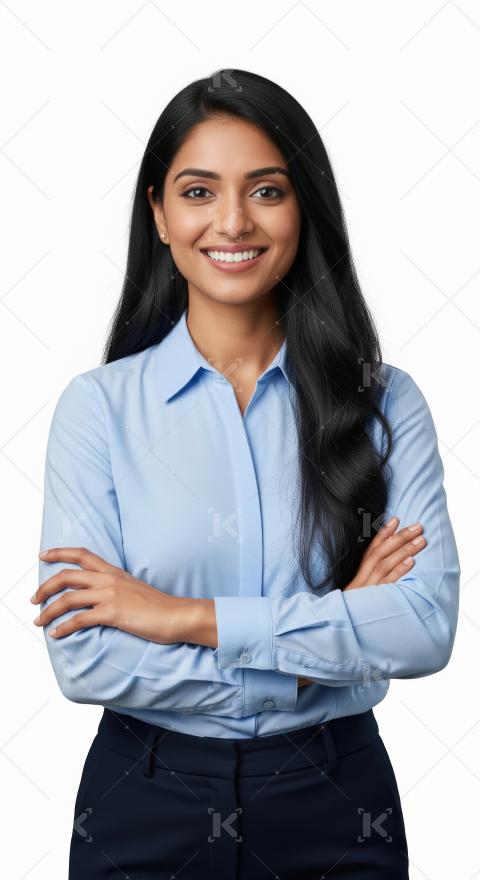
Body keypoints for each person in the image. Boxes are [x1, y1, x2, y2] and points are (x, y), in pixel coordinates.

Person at [32, 68, 460, 879]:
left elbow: (422, 628)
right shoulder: (97, 411)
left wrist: (183, 617)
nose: (232, 221)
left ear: (306, 208)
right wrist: (332, 635)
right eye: (199, 192)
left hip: (336, 800)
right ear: (158, 213)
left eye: (267, 190)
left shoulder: (385, 402)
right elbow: (87, 661)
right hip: (145, 801)